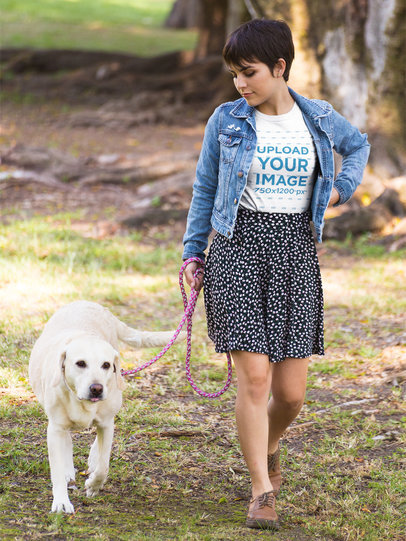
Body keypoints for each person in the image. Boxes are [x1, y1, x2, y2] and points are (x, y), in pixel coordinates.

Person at [182, 18, 370, 530]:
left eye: (250, 72)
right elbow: (204, 190)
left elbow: (359, 147)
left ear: (280, 67)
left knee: (290, 395)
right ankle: (261, 489)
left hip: (294, 252)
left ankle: (267, 447)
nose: (241, 84)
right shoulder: (227, 121)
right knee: (256, 378)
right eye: (234, 74)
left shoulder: (319, 118)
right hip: (237, 249)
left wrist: (337, 191)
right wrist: (193, 254)